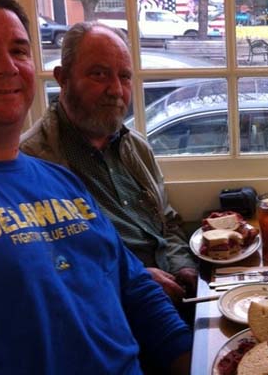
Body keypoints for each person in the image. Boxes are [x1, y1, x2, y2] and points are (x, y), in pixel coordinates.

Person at [0, 0, 191, 373]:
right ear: (62, 79)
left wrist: (201, 359)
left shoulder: (60, 182)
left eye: (19, 50)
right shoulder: (46, 157)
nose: (6, 67)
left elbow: (136, 289)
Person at [20, 21, 198, 307]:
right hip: (110, 307)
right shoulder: (31, 161)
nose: (116, 90)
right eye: (99, 74)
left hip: (173, 294)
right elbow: (49, 265)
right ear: (62, 78)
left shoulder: (136, 146)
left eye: (124, 76)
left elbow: (167, 224)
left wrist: (184, 267)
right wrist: (132, 279)